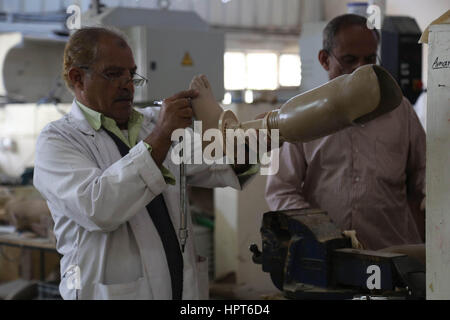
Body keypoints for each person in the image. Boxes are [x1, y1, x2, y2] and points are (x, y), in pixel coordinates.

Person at [33, 27, 254, 300]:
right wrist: (161, 135)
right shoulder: (58, 141)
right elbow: (99, 207)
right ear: (78, 78)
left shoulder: (152, 122)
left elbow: (222, 165)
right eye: (114, 74)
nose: (127, 83)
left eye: (131, 73)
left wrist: (260, 136)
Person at [265, 14, 426, 253]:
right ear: (324, 59)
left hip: (393, 255)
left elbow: (425, 177)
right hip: (326, 258)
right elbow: (281, 190)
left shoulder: (400, 111)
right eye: (349, 60)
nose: (361, 70)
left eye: (370, 59)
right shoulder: (299, 117)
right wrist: (323, 232)